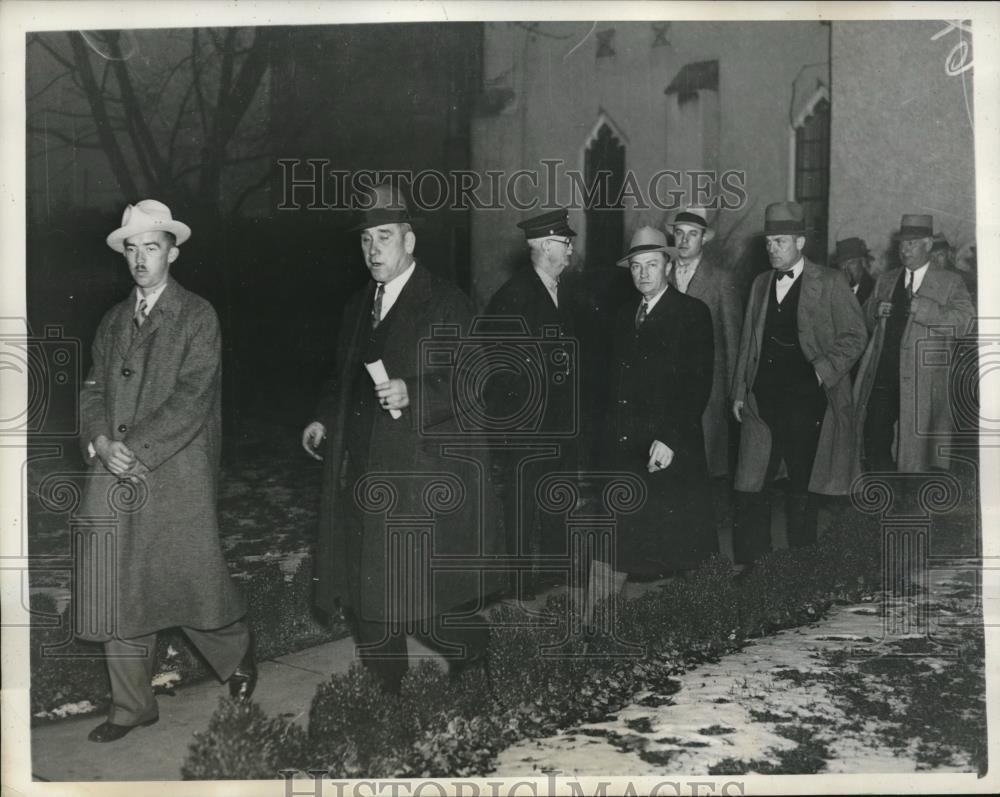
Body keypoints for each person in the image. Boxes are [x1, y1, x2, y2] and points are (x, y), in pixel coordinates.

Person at [302, 183, 496, 694]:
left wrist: (415, 392)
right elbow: (339, 376)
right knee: (368, 596)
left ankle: (476, 656)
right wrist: (323, 418)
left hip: (420, 475)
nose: (372, 250)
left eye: (383, 237)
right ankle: (387, 695)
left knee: (424, 604)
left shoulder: (446, 303)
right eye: (365, 239)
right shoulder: (357, 306)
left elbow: (474, 380)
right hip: (363, 472)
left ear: (409, 241)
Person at [77, 200, 255, 743]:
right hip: (114, 467)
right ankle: (132, 706)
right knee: (115, 584)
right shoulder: (112, 320)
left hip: (174, 469)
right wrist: (102, 441)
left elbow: (193, 396)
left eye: (150, 247)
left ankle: (239, 653)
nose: (139, 259)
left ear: (172, 253)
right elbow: (92, 390)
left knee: (187, 580)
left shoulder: (198, 316)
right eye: (131, 249)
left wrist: (138, 448)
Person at [730, 202, 867, 570]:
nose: (773, 248)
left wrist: (822, 371)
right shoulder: (760, 283)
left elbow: (856, 336)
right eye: (769, 242)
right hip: (762, 400)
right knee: (751, 485)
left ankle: (802, 571)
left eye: (781, 241)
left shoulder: (831, 282)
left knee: (801, 488)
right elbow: (748, 341)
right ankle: (755, 568)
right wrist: (740, 391)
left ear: (801, 242)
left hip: (808, 403)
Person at [594, 226, 715, 601]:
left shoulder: (692, 313)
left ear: (668, 265)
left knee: (683, 544)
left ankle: (706, 619)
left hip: (670, 445)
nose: (643, 273)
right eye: (636, 266)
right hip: (627, 446)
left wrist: (670, 439)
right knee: (617, 541)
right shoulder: (621, 316)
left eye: (651, 264)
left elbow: (696, 385)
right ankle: (599, 626)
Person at [485, 209, 579, 599]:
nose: (571, 249)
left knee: (557, 496)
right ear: (543, 246)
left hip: (559, 423)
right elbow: (499, 369)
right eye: (565, 242)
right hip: (526, 427)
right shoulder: (512, 297)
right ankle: (520, 583)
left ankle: (555, 574)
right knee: (522, 504)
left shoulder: (564, 292)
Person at [854, 215, 975, 474]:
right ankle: (884, 496)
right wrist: (875, 310)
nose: (904, 250)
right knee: (875, 440)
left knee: (915, 455)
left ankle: (908, 500)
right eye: (902, 244)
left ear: (928, 245)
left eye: (912, 244)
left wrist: (927, 310)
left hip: (924, 383)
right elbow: (861, 319)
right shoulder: (886, 280)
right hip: (883, 376)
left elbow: (965, 323)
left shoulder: (950, 282)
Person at [832, 236, 875, 306]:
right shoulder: (834, 292)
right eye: (842, 264)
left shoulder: (875, 290)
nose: (845, 268)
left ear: (863, 263)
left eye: (851, 263)